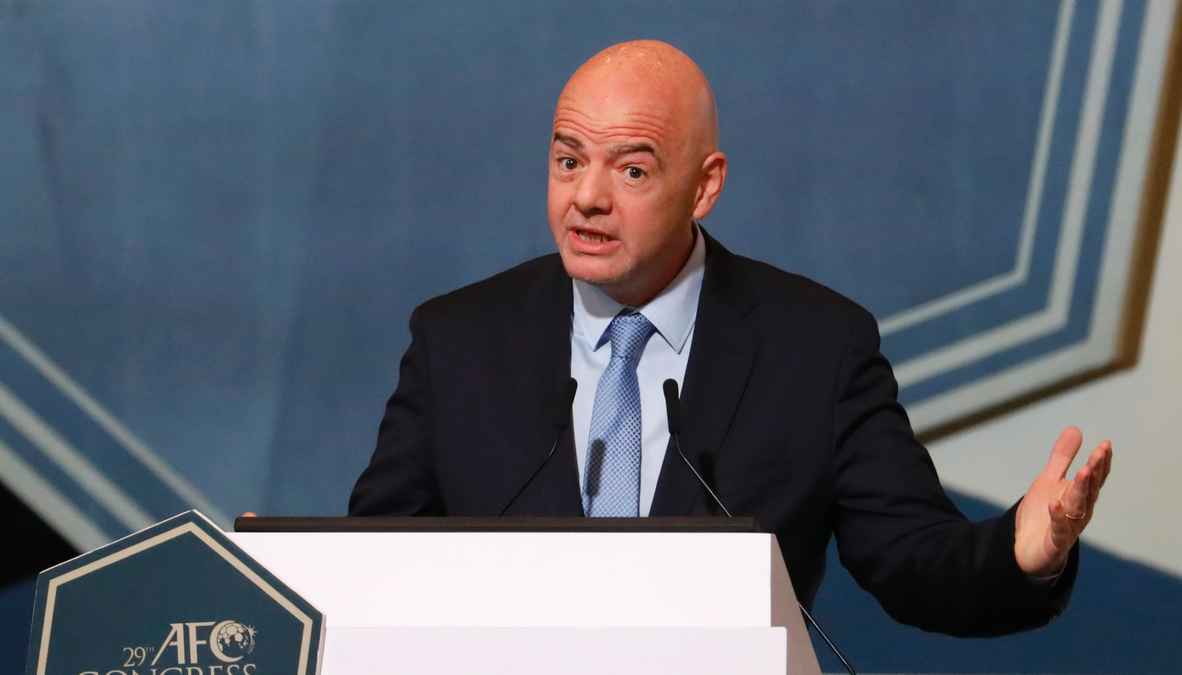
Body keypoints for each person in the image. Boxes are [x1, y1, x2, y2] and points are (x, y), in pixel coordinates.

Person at [348, 40, 1112, 637]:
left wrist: (1024, 550)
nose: (586, 196)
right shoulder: (457, 341)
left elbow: (915, 560)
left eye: (633, 170)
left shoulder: (816, 347)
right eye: (568, 159)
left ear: (704, 186)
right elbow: (370, 567)